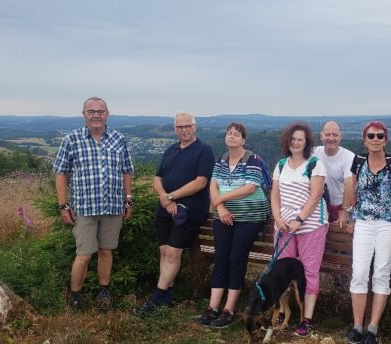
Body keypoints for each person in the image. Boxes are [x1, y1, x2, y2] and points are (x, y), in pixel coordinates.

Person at [53, 96, 134, 311]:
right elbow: (61, 173)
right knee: (84, 254)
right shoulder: (71, 140)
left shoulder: (118, 139)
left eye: (100, 111)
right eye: (91, 111)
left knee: (106, 251)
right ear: (84, 115)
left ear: (107, 114)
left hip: (113, 206)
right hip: (85, 209)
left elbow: (127, 171)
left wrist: (128, 199)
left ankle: (103, 294)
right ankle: (75, 297)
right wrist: (63, 205)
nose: (96, 115)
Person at [135, 112, 214, 316]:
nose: (184, 130)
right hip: (164, 209)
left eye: (187, 126)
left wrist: (171, 197)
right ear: (175, 129)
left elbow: (201, 182)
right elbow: (157, 178)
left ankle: (155, 298)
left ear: (195, 127)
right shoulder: (170, 150)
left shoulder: (204, 151)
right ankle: (167, 299)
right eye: (180, 127)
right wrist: (164, 197)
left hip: (189, 211)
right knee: (163, 252)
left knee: (173, 252)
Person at [199, 122, 270, 327]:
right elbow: (213, 185)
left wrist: (220, 200)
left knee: (236, 258)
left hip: (250, 217)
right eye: (229, 133)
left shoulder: (252, 160)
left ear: (243, 140)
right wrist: (220, 207)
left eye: (236, 134)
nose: (231, 136)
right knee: (221, 257)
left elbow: (249, 188)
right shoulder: (221, 159)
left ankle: (229, 309)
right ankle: (212, 307)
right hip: (225, 215)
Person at [344, 121, 391, 344]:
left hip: (389, 224)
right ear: (365, 139)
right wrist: (349, 215)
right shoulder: (359, 161)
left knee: (381, 273)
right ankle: (357, 326)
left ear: (386, 140)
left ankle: (372, 329)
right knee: (359, 273)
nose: (376, 139)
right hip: (364, 223)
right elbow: (353, 189)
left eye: (380, 136)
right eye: (371, 136)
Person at [271, 121, 329, 337]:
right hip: (284, 226)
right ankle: (283, 313)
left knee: (309, 270)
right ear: (288, 141)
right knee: (281, 271)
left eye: (300, 139)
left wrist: (299, 219)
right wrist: (277, 218)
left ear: (307, 143)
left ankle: (307, 319)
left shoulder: (315, 164)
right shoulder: (280, 165)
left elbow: (315, 195)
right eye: (293, 139)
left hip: (311, 225)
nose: (295, 142)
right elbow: (274, 194)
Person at [313, 121, 355, 224]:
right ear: (321, 136)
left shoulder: (348, 157)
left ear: (340, 137)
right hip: (317, 206)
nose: (331, 138)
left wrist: (344, 212)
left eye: (335, 135)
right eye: (327, 134)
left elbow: (349, 184)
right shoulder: (313, 153)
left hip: (340, 205)